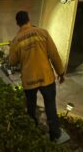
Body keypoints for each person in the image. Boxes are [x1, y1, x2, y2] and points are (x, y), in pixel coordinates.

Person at [8, 11, 70, 144]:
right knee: (50, 106)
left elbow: (12, 62)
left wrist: (12, 49)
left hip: (29, 80)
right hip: (46, 77)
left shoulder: (15, 40)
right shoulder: (43, 32)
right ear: (29, 19)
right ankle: (55, 135)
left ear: (17, 23)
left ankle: (32, 132)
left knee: (31, 107)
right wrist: (60, 73)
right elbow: (54, 54)